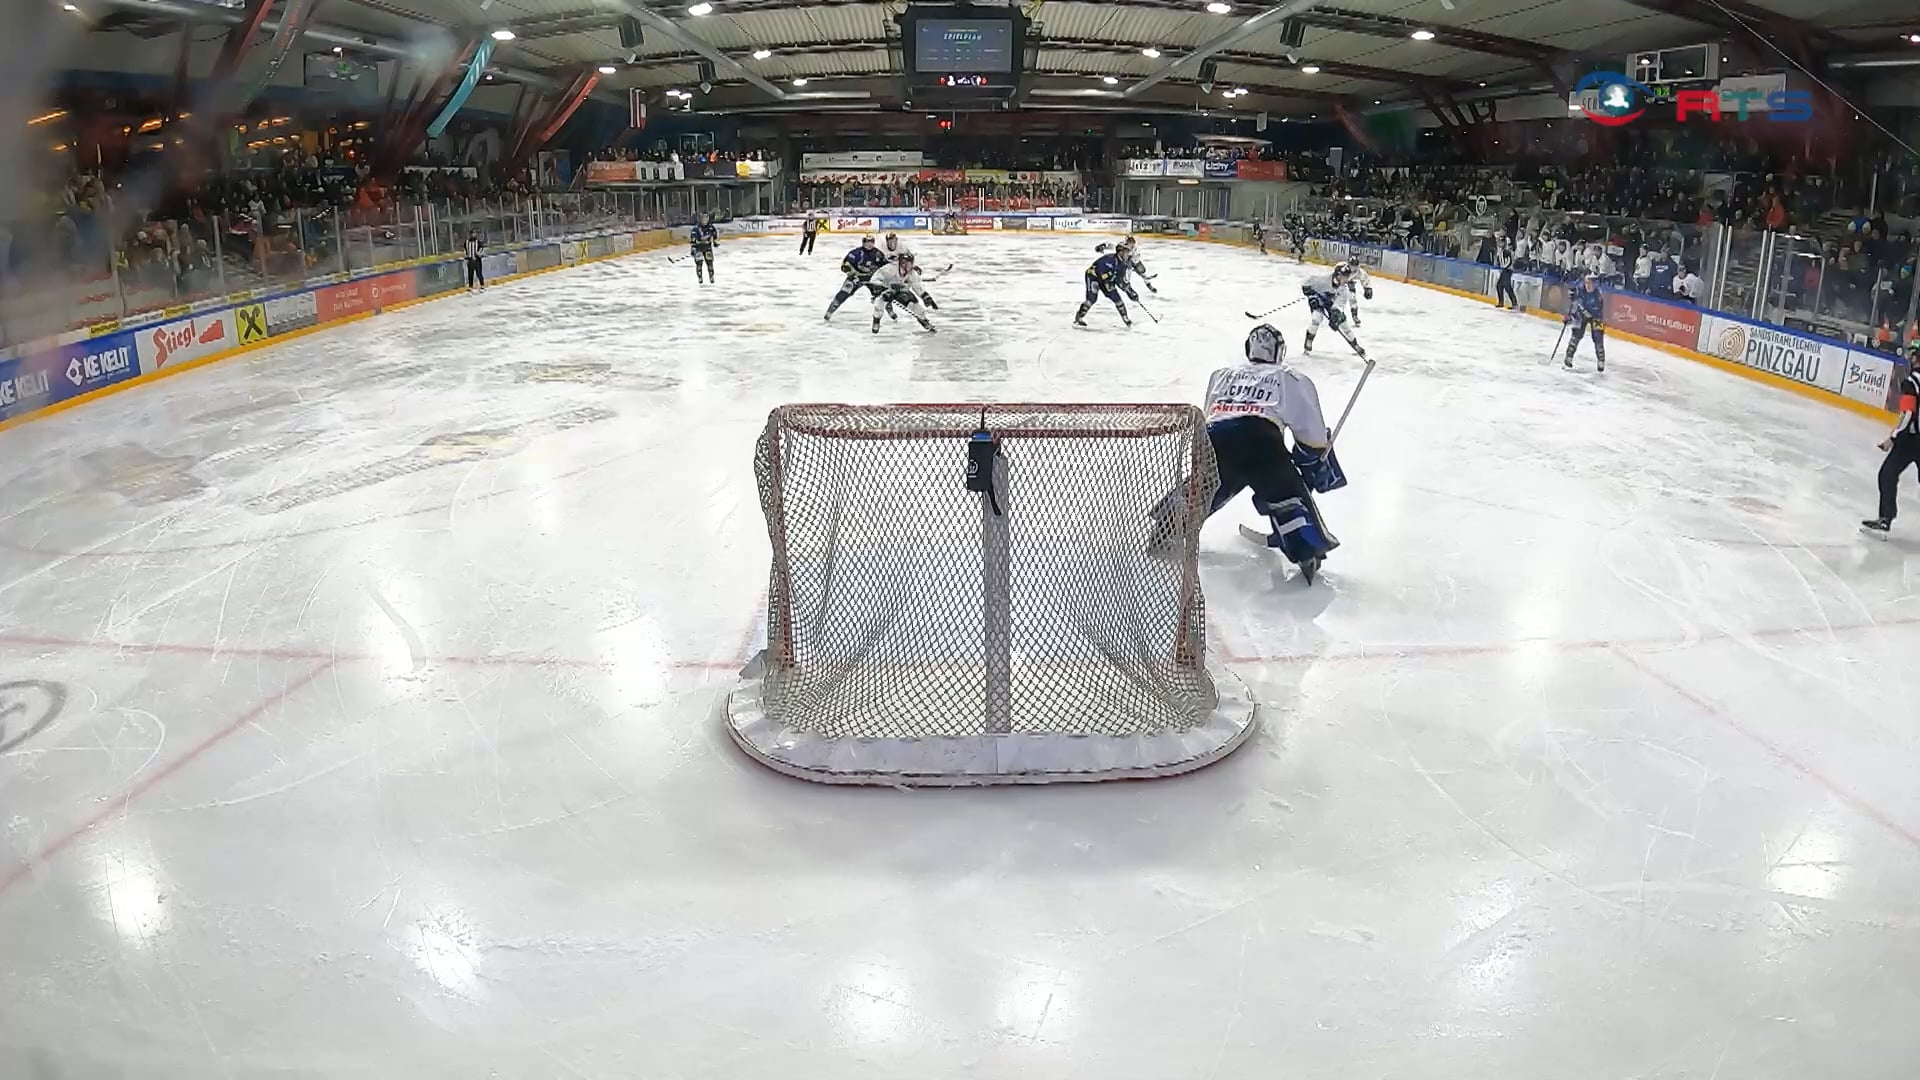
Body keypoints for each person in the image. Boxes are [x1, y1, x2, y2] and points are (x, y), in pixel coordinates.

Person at [1177, 324, 1344, 582]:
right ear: (1279, 352)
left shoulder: (1221, 374)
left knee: (1207, 486)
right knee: (1286, 496)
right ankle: (1305, 551)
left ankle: (1170, 527)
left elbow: (1211, 414)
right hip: (1259, 441)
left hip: (1213, 439)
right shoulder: (1290, 377)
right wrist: (1311, 465)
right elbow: (1312, 438)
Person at [1862, 344, 1920, 534]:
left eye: (1913, 356)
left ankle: (1886, 518)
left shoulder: (1911, 383)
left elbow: (1908, 414)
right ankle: (1885, 518)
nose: (1910, 359)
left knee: (1887, 474)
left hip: (1910, 440)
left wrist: (1892, 437)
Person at [1301, 263, 1366, 358]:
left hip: (1330, 303)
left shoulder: (1343, 290)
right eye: (1344, 276)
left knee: (1343, 324)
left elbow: (1339, 305)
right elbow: (1306, 282)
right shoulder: (1322, 279)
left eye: (1347, 276)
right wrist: (1310, 295)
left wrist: (1335, 317)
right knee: (1316, 318)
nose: (1346, 279)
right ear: (1338, 275)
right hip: (1318, 299)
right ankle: (1308, 341)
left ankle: (1355, 345)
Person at [867, 251, 936, 335]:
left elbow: (917, 286)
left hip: (900, 291)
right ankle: (876, 320)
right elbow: (875, 279)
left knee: (916, 307)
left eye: (910, 263)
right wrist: (880, 288)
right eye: (904, 263)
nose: (907, 265)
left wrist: (926, 297)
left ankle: (924, 321)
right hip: (885, 291)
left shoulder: (912, 273)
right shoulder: (889, 269)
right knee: (879, 305)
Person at [825, 235, 889, 321]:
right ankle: (829, 313)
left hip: (872, 279)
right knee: (844, 293)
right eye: (867, 242)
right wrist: (852, 275)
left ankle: (892, 314)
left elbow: (886, 268)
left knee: (884, 295)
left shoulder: (879, 254)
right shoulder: (856, 253)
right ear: (863, 243)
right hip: (856, 277)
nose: (869, 244)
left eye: (871, 242)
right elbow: (844, 266)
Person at [1075, 246, 1140, 328]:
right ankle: (1079, 318)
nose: (1128, 254)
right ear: (1120, 253)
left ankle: (1127, 320)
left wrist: (1130, 291)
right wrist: (1110, 283)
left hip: (1107, 280)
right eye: (1126, 252)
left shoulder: (1123, 264)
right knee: (1091, 300)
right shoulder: (1109, 260)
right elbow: (1100, 274)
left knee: (1118, 300)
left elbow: (1122, 280)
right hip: (1093, 277)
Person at [1564, 273, 1607, 373]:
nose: (1588, 285)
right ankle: (1569, 357)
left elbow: (1598, 309)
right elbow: (1574, 301)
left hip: (1596, 316)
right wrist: (1570, 313)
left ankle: (1601, 361)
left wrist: (1585, 310)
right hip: (1581, 314)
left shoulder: (1598, 294)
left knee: (1598, 337)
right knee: (1576, 334)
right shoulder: (1580, 289)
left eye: (1591, 283)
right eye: (1587, 282)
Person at [882, 232, 938, 310]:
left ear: (896, 240)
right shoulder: (882, 248)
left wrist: (914, 266)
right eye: (889, 240)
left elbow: (910, 259)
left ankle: (925, 297)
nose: (891, 242)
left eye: (893, 240)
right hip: (889, 270)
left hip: (901, 269)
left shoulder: (902, 247)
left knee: (913, 277)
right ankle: (889, 301)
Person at [1341, 257, 1372, 326]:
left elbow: (1365, 280)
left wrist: (1368, 289)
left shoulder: (1360, 272)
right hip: (1339, 286)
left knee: (1352, 299)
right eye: (1353, 265)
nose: (1354, 267)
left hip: (1350, 286)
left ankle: (1355, 316)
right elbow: (1335, 278)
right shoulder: (1342, 268)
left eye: (1356, 265)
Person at [688, 213, 718, 284]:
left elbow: (714, 236)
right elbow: (692, 240)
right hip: (698, 248)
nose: (705, 220)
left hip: (707, 247)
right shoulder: (696, 229)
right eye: (703, 218)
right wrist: (693, 248)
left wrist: (715, 242)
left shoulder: (711, 227)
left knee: (710, 263)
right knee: (699, 263)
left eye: (706, 218)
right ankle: (700, 278)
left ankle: (711, 277)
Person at [1494, 235, 1520, 310]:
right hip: (1504, 269)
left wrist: (1504, 267)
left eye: (1501, 242)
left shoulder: (1506, 251)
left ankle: (1514, 303)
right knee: (1500, 285)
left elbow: (1509, 261)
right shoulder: (1501, 251)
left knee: (1507, 286)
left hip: (1507, 270)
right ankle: (1501, 302)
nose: (1499, 243)